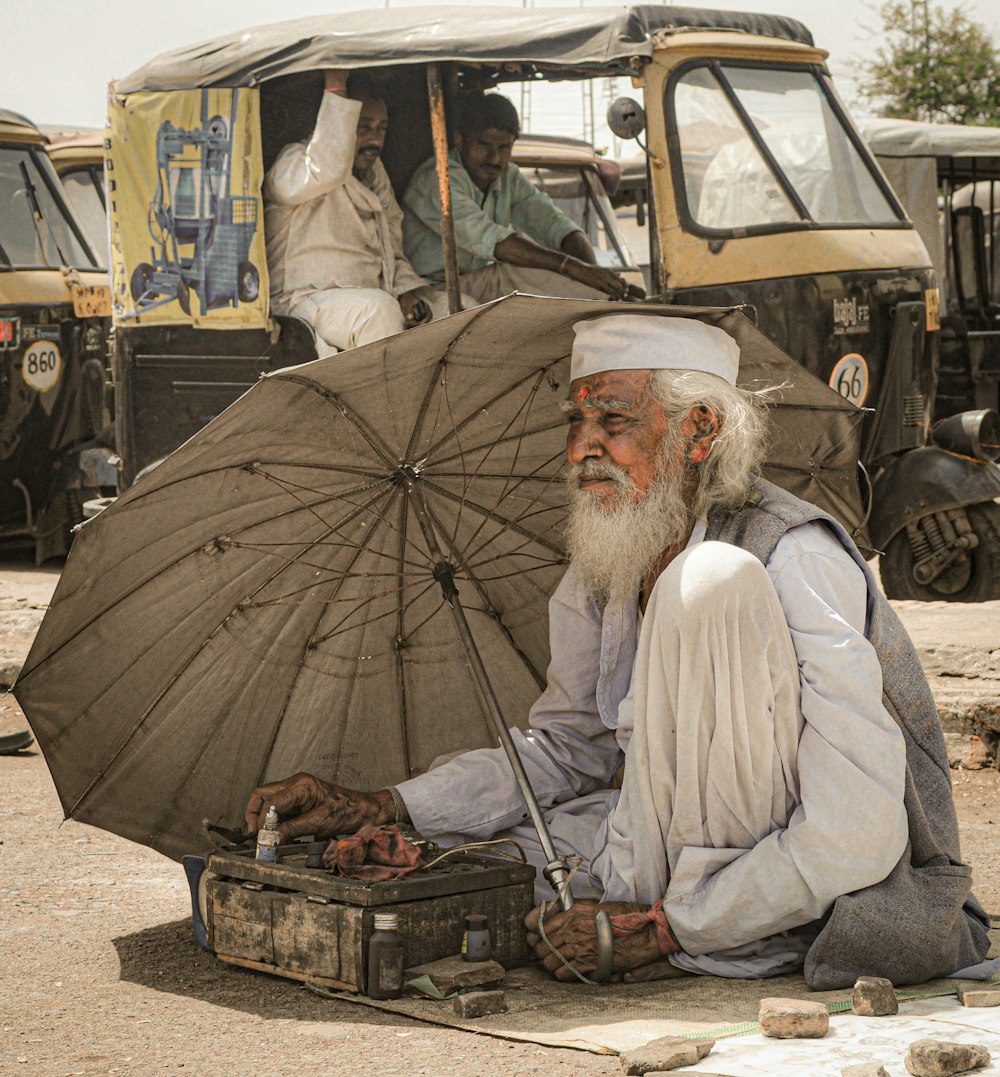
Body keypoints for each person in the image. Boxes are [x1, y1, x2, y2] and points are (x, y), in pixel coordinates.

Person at [245, 314, 990, 990]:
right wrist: (389, 808)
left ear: (699, 431)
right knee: (451, 863)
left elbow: (857, 831)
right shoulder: (603, 568)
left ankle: (698, 929)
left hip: (785, 871)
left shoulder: (789, 553)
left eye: (612, 421)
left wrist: (668, 927)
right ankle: (619, 906)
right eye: (575, 420)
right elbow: (568, 751)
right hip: (643, 843)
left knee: (709, 580)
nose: (580, 449)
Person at [264, 69, 453, 353]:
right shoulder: (293, 168)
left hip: (373, 298)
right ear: (334, 122)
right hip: (305, 303)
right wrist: (336, 84)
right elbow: (327, 166)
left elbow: (391, 251)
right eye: (363, 127)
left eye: (381, 128)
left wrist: (407, 294)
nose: (375, 140)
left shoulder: (375, 176)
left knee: (457, 310)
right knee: (378, 312)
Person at [402, 93, 644, 305]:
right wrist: (575, 269)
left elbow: (555, 226)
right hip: (430, 293)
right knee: (509, 275)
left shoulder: (509, 177)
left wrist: (595, 275)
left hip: (474, 286)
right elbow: (494, 241)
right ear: (459, 139)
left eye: (504, 148)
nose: (495, 159)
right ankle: (610, 304)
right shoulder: (438, 179)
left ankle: (609, 301)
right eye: (484, 145)